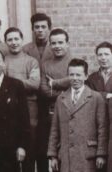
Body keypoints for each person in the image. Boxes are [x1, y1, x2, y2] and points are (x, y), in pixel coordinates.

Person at [47, 58, 108, 172]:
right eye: (72, 75)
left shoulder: (95, 98)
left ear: (86, 76)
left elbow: (102, 128)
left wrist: (101, 153)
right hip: (66, 157)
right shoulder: (61, 98)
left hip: (87, 156)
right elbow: (54, 129)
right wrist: (53, 155)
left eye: (78, 75)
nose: (75, 78)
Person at [4, 27, 40, 172]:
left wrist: (11, 82)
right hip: (8, 109)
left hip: (30, 109)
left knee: (29, 149)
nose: (13, 42)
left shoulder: (31, 61)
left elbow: (34, 84)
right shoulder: (2, 61)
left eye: (16, 39)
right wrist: (21, 82)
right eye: (10, 40)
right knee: (9, 150)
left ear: (22, 39)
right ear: (6, 42)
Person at [22, 13, 54, 172]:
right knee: (32, 139)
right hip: (31, 100)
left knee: (48, 141)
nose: (40, 30)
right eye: (37, 27)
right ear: (32, 29)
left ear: (49, 29)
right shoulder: (26, 49)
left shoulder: (56, 47)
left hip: (51, 100)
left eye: (43, 27)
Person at [39, 28, 72, 171]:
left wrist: (55, 83)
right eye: (53, 43)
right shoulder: (46, 64)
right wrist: (65, 87)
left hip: (72, 112)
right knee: (54, 150)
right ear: (50, 45)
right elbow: (45, 90)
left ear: (67, 44)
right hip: (52, 112)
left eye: (60, 42)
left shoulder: (75, 62)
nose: (57, 46)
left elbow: (76, 84)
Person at [86, 41, 112, 172]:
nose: (103, 58)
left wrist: (99, 95)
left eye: (106, 54)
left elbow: (95, 95)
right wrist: (108, 95)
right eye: (100, 55)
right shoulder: (91, 78)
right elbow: (89, 96)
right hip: (97, 124)